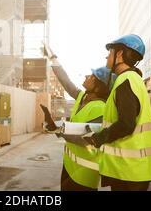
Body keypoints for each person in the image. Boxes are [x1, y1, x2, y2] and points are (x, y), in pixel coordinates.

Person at [82, 34, 151, 191]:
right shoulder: (133, 79)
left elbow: (126, 124)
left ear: (119, 54)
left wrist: (99, 137)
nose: (107, 56)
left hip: (128, 170)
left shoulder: (125, 81)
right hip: (133, 169)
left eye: (110, 52)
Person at [42, 45, 116, 191]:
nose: (86, 77)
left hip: (85, 173)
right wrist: (53, 58)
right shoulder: (82, 97)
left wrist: (57, 128)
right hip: (69, 166)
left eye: (91, 76)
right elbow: (66, 81)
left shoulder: (100, 108)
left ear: (98, 86)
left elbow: (85, 138)